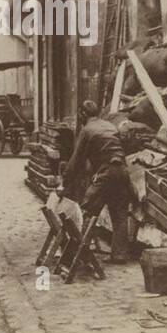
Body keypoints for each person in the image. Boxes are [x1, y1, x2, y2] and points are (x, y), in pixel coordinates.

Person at [62, 100, 132, 263]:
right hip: (121, 171)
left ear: (83, 115)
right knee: (120, 214)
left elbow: (77, 160)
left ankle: (82, 253)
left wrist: (66, 180)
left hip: (106, 173)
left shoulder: (87, 130)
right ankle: (120, 255)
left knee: (87, 210)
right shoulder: (110, 126)